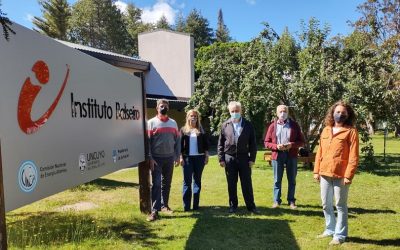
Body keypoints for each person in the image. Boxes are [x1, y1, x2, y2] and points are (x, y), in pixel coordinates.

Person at [313, 101, 359, 245]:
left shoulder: (351, 132)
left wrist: (348, 175)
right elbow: (319, 151)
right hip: (324, 172)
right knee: (326, 204)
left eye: (343, 112)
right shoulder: (326, 130)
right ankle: (330, 229)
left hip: (341, 175)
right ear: (332, 113)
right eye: (337, 112)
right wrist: (316, 171)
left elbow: (354, 156)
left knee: (340, 205)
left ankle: (340, 235)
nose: (340, 114)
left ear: (348, 115)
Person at [218, 101, 258, 214]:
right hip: (229, 158)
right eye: (232, 111)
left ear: (241, 111)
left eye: (237, 111)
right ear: (229, 112)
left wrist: (252, 159)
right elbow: (220, 143)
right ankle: (233, 206)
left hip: (244, 158)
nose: (235, 113)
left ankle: (251, 206)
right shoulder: (225, 125)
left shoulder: (248, 125)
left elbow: (253, 144)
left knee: (247, 183)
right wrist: (221, 158)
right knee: (231, 183)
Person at [264, 105, 304, 209]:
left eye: (285, 111)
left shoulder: (294, 125)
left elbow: (301, 141)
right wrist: (276, 146)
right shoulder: (273, 126)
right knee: (277, 179)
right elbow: (266, 143)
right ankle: (276, 201)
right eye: (281, 111)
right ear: (277, 113)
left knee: (292, 179)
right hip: (278, 155)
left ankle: (291, 201)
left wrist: (292, 145)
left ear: (288, 112)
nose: (283, 113)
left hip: (291, 155)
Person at [146, 99, 180, 222]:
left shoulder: (173, 123)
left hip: (170, 158)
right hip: (156, 159)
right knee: (156, 183)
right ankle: (154, 211)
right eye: (161, 106)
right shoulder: (151, 123)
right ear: (157, 108)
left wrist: (177, 156)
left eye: (165, 106)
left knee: (167, 183)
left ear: (168, 108)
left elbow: (177, 141)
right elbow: (148, 143)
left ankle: (164, 205)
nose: (163, 107)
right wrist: (150, 158)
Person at [179, 109, 209, 211]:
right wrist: (180, 157)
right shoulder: (183, 130)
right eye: (191, 116)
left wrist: (206, 156)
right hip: (187, 158)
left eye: (195, 116)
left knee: (197, 181)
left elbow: (206, 145)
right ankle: (186, 207)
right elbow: (179, 146)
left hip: (199, 158)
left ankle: (196, 206)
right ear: (188, 117)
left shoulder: (201, 130)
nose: (193, 118)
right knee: (187, 182)